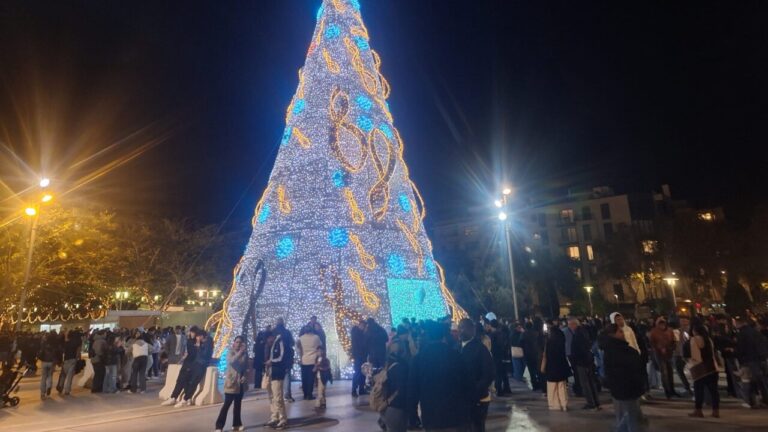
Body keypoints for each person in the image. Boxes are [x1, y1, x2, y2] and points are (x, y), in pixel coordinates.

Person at [408, 321, 470, 432]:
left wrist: (413, 415)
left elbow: (413, 390)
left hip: (431, 415)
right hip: (454, 414)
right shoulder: (455, 356)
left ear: (427, 336)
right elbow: (466, 384)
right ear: (443, 337)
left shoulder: (419, 359)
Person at [600, 324, 645, 432]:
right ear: (612, 334)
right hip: (626, 387)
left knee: (630, 415)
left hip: (627, 387)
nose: (623, 333)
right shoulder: (614, 350)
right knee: (632, 417)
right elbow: (621, 368)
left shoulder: (617, 348)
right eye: (620, 332)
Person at [459, 318, 495, 432]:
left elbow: (489, 374)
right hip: (463, 398)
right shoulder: (457, 347)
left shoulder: (480, 349)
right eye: (459, 327)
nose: (461, 331)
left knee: (476, 427)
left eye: (464, 328)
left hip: (478, 398)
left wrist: (475, 390)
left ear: (472, 330)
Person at [733, 316, 768, 408]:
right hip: (759, 359)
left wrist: (737, 355)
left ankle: (751, 401)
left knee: (749, 381)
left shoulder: (741, 334)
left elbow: (740, 349)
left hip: (748, 359)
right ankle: (765, 399)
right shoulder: (755, 332)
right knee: (761, 381)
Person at [215, 335, 247, 432]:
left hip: (240, 382)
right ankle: (219, 426)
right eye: (236, 342)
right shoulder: (230, 352)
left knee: (238, 405)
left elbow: (245, 367)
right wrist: (240, 352)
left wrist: (244, 375)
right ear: (234, 343)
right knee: (227, 404)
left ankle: (237, 424)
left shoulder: (244, 354)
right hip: (231, 382)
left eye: (240, 342)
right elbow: (232, 361)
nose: (238, 344)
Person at [688, 325, 720, 418]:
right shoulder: (709, 339)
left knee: (699, 390)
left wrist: (691, 365)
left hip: (701, 369)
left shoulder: (695, 340)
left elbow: (695, 356)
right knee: (714, 391)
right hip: (712, 367)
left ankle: (698, 410)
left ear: (695, 331)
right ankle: (715, 411)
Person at [569, 317, 600, 410]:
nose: (570, 327)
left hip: (582, 362)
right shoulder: (584, 332)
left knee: (585, 383)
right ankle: (596, 402)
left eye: (570, 325)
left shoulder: (578, 334)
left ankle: (591, 403)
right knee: (591, 382)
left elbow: (580, 349)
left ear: (574, 324)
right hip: (587, 361)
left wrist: (577, 360)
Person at [163, 326, 199, 406]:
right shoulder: (189, 341)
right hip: (187, 363)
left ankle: (187, 398)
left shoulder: (195, 341)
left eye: (192, 332)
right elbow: (189, 353)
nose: (191, 333)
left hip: (193, 365)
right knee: (180, 380)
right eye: (190, 332)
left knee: (187, 381)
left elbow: (194, 353)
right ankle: (174, 397)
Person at [266, 318, 291, 430]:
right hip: (272, 372)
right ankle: (275, 416)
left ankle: (283, 418)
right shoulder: (275, 343)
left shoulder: (280, 342)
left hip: (277, 372)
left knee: (278, 396)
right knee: (273, 396)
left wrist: (271, 362)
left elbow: (281, 357)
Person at [381, 338, 409, 432]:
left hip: (387, 407)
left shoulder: (389, 364)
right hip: (397, 408)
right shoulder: (401, 367)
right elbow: (401, 390)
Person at [543, 323, 571, 411]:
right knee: (562, 387)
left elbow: (546, 356)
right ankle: (564, 404)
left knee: (552, 387)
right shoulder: (561, 342)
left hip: (551, 367)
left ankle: (554, 405)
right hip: (561, 366)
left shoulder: (549, 342)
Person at [649, 317, 677, 398]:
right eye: (660, 324)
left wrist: (671, 348)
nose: (662, 325)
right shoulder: (654, 332)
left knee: (670, 372)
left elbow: (673, 341)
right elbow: (652, 344)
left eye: (663, 323)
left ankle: (672, 390)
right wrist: (659, 348)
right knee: (664, 373)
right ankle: (667, 391)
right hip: (659, 355)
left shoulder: (669, 330)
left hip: (669, 354)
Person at [296, 325, 322, 400]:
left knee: (304, 378)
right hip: (313, 360)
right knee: (311, 378)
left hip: (304, 360)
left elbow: (298, 349)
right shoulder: (316, 337)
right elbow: (320, 346)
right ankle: (309, 395)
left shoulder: (301, 338)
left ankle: (305, 394)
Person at [488, 320, 511, 396]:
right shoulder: (503, 333)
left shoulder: (492, 335)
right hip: (504, 355)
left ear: (491, 326)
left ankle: (499, 390)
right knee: (504, 373)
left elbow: (492, 347)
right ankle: (507, 388)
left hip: (496, 356)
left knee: (498, 373)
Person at [672, 317, 692, 395]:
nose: (683, 322)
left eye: (684, 320)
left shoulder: (690, 330)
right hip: (678, 353)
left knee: (690, 371)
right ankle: (687, 386)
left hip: (686, 353)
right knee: (680, 370)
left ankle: (689, 387)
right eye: (681, 321)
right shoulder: (677, 331)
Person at [522, 321, 544, 391]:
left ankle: (534, 385)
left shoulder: (524, 334)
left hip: (528, 354)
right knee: (538, 370)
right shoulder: (536, 333)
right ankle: (541, 383)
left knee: (531, 371)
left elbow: (520, 343)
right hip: (536, 353)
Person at [57, 330, 81, 396]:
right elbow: (78, 353)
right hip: (73, 360)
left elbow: (63, 351)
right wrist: (77, 359)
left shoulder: (66, 343)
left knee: (63, 374)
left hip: (66, 359)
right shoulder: (77, 343)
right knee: (69, 377)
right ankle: (67, 390)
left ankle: (60, 387)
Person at [37, 331, 57, 400]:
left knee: (43, 377)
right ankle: (49, 386)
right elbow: (57, 353)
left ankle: (42, 393)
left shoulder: (44, 343)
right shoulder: (55, 344)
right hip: (51, 362)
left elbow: (40, 351)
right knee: (50, 376)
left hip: (44, 361)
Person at [350, 319, 368, 397]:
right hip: (359, 355)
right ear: (360, 325)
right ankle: (355, 390)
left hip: (359, 355)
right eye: (363, 326)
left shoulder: (356, 333)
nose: (364, 327)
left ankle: (360, 389)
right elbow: (361, 345)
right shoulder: (358, 333)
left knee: (361, 372)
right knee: (358, 372)